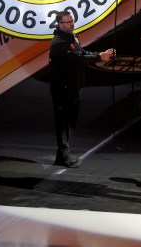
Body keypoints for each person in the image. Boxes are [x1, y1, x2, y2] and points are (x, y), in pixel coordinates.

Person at [48, 11, 115, 168]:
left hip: (72, 87)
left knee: (70, 121)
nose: (72, 24)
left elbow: (81, 52)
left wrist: (101, 54)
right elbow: (77, 58)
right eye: (68, 22)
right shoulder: (59, 43)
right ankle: (63, 155)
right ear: (60, 24)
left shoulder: (72, 37)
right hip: (62, 88)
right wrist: (100, 57)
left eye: (72, 21)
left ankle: (63, 153)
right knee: (63, 122)